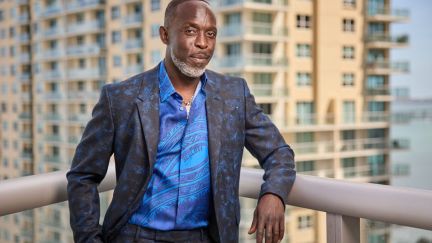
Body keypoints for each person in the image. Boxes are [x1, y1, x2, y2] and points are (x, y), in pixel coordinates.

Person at [66, 0, 296, 242]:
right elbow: (83, 176)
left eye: (211, 34)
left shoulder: (234, 94)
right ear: (165, 35)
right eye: (190, 31)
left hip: (207, 237)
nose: (202, 43)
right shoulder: (120, 98)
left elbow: (279, 153)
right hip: (135, 235)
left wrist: (273, 194)